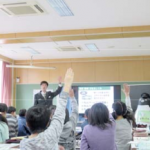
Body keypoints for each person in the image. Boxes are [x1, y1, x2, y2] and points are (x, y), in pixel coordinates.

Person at [20, 68, 74, 150]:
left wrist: (60, 84)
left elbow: (58, 92)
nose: (44, 86)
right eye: (42, 85)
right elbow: (35, 105)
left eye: (45, 85)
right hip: (39, 116)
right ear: (40, 86)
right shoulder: (37, 95)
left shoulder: (23, 144)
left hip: (47, 115)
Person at [112, 84, 135, 150]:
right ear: (124, 110)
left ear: (114, 110)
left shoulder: (112, 122)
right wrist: (127, 95)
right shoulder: (129, 119)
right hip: (128, 148)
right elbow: (129, 107)